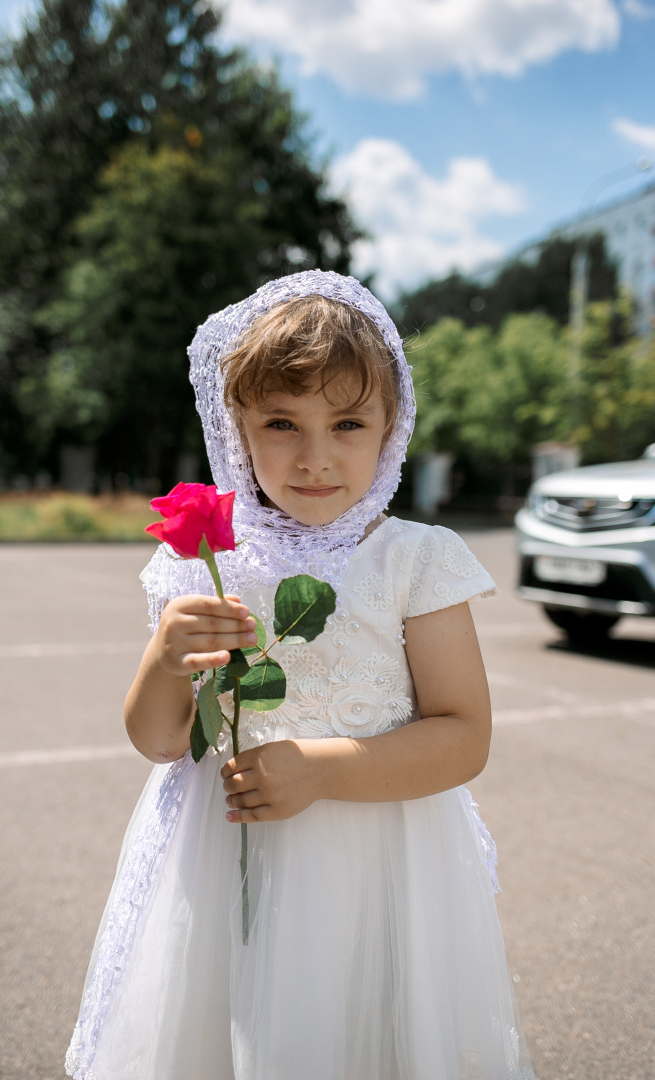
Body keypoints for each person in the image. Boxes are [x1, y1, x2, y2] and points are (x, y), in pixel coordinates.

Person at [66, 271, 534, 1080]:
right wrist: (165, 659)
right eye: (282, 423)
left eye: (348, 422)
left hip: (379, 860)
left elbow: (464, 737)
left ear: (391, 427)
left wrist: (320, 770)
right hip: (222, 858)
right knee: (230, 1030)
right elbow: (159, 741)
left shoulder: (415, 560)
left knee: (365, 1031)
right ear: (237, 428)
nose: (316, 458)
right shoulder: (206, 562)